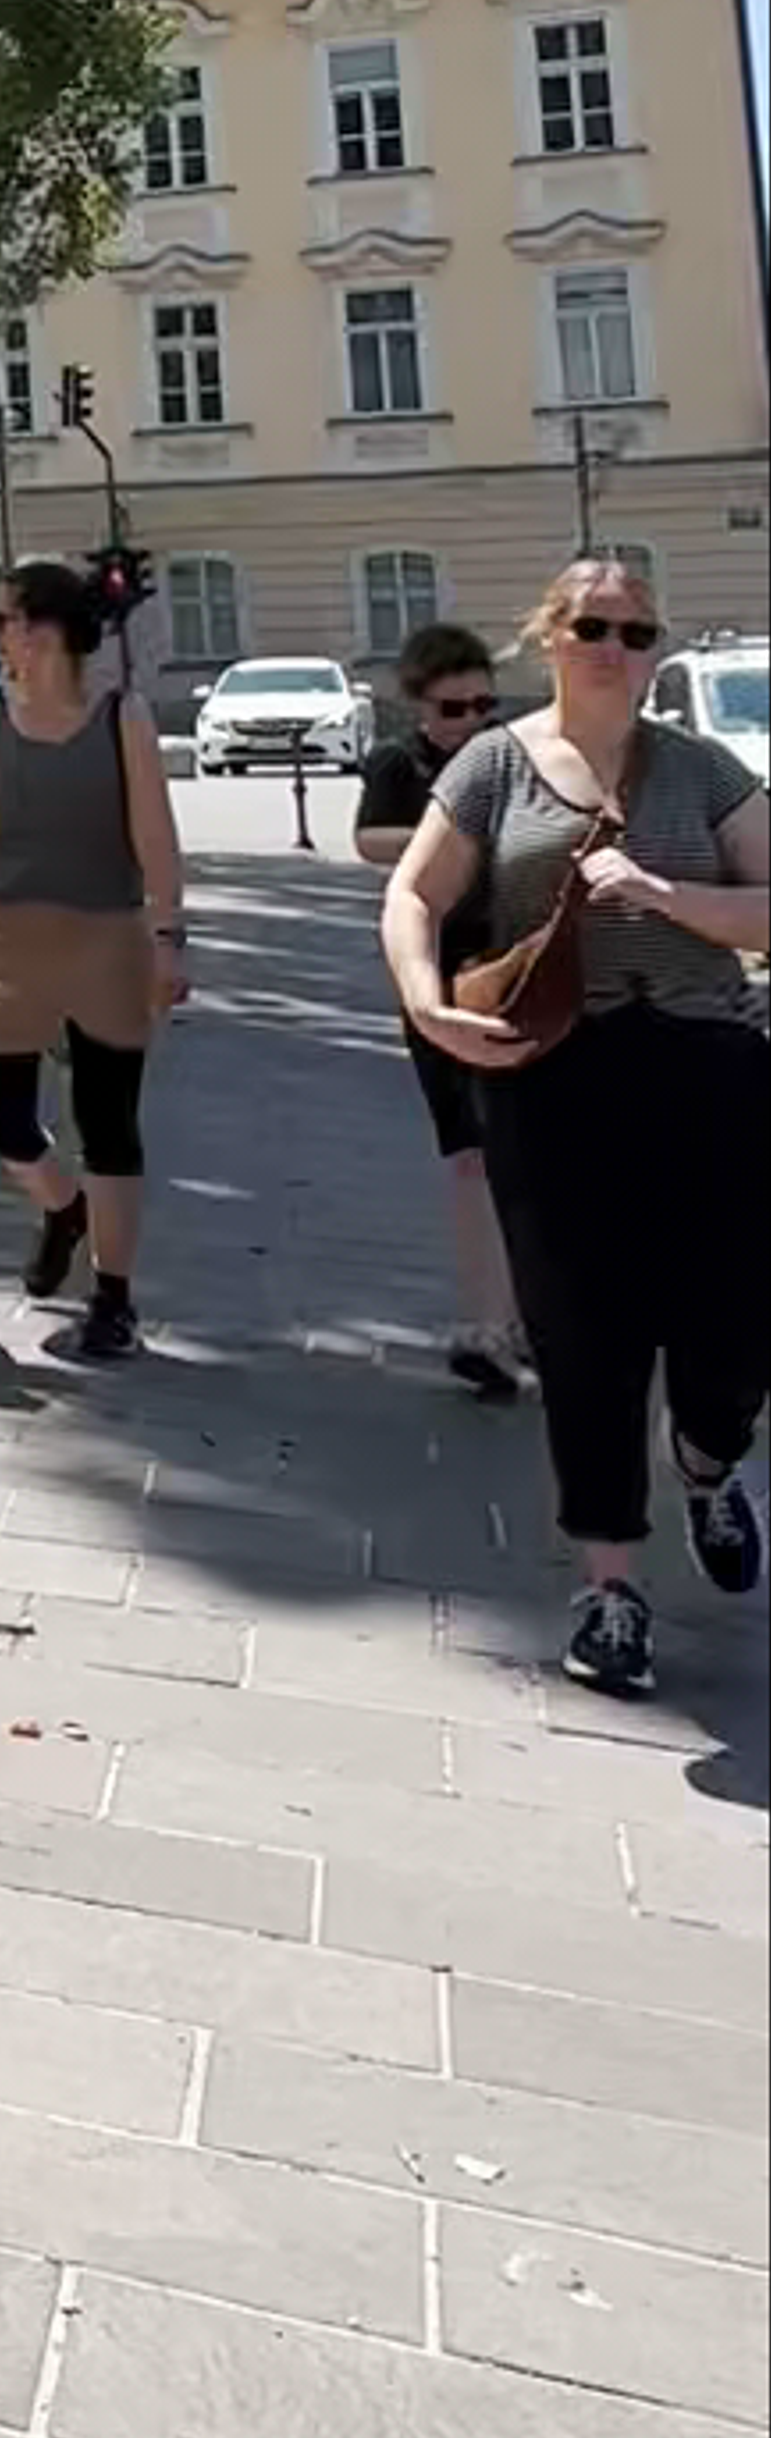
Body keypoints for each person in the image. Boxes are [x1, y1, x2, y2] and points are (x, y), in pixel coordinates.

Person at [378, 556, 768, 1692]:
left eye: (638, 631)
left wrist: (668, 897)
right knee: (584, 1337)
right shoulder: (497, 767)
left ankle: (704, 1456)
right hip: (556, 1077)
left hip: (712, 1065)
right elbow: (415, 894)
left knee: (736, 1320)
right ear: (550, 636)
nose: (615, 647)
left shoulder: (702, 769)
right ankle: (611, 1591)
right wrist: (425, 1001)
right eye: (593, 625)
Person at [0, 557, 190, 1361]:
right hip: (7, 934)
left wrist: (168, 938)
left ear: (42, 631)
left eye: (4, 617)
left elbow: (155, 840)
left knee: (108, 1120)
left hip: (106, 937)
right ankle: (64, 1205)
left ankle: (113, 1300)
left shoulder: (125, 718)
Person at [354, 625, 525, 1403]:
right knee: (470, 1157)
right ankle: (488, 1328)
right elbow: (368, 839)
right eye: (455, 707)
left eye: (485, 704)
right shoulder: (399, 764)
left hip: (524, 972)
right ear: (419, 703)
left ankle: (517, 1319)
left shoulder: (514, 755)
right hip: (437, 977)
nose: (472, 720)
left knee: (527, 1158)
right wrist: (452, 834)